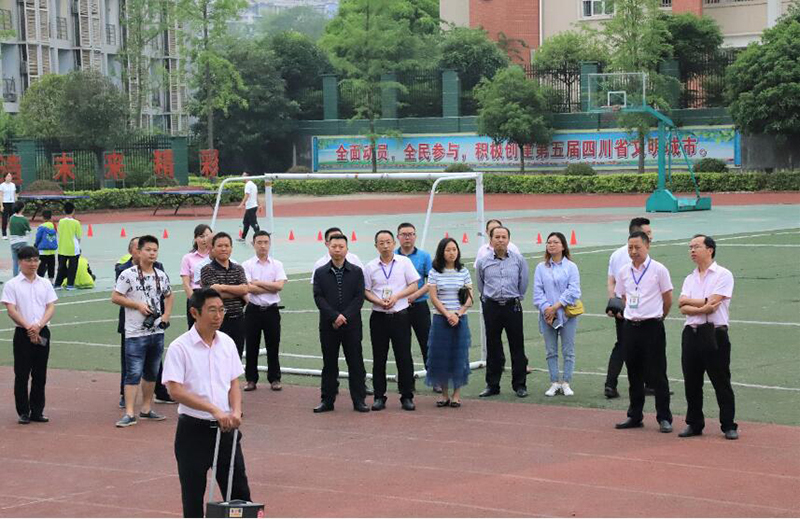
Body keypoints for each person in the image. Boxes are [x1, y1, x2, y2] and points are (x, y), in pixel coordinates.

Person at [162, 288, 252, 518]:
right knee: (193, 497)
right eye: (212, 310)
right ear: (194, 312)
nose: (218, 316)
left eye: (221, 310)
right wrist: (213, 409)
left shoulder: (228, 343)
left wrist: (236, 411)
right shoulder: (180, 347)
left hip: (226, 430)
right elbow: (175, 390)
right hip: (194, 431)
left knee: (239, 494)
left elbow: (233, 383)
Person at [677, 235, 738, 440]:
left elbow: (715, 302)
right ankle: (694, 423)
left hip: (714, 333)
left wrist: (693, 305)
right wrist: (703, 306)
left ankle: (728, 424)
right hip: (691, 333)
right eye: (690, 247)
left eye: (696, 246)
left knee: (721, 380)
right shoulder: (689, 278)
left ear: (710, 249)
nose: (692, 250)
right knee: (691, 381)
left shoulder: (723, 274)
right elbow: (682, 305)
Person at [614, 230, 674, 433]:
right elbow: (623, 297)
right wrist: (633, 313)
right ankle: (635, 415)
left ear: (647, 246)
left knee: (658, 374)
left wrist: (658, 317)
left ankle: (664, 417)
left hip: (653, 326)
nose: (633, 251)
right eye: (630, 247)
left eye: (637, 247)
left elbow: (668, 299)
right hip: (631, 326)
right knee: (633, 373)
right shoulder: (623, 271)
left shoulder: (659, 269)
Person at [112, 235, 175, 427]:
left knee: (151, 372)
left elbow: (169, 295)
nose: (152, 253)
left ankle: (146, 408)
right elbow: (115, 297)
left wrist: (165, 316)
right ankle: (130, 412)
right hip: (135, 332)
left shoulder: (160, 275)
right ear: (138, 252)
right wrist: (137, 305)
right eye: (148, 250)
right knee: (133, 372)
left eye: (155, 250)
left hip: (156, 331)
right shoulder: (128, 274)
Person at [311, 234, 369, 413]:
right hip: (329, 325)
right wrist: (334, 317)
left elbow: (359, 298)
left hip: (351, 325)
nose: (337, 249)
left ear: (347, 249)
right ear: (328, 247)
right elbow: (318, 297)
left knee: (356, 362)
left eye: (341, 246)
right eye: (334, 246)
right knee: (329, 363)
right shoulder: (320, 272)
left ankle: (359, 400)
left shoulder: (357, 271)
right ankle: (327, 400)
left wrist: (345, 316)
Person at [364, 230, 420, 411]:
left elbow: (414, 284)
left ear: (394, 243)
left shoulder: (404, 262)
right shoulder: (370, 267)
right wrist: (378, 301)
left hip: (400, 315)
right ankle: (379, 396)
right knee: (379, 357)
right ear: (376, 246)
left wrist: (397, 297)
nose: (385, 246)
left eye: (388, 242)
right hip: (379, 316)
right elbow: (365, 291)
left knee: (403, 356)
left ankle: (407, 396)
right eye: (381, 243)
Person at [2, 246, 57, 424]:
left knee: (40, 374)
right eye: (29, 260)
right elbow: (11, 310)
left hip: (42, 330)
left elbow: (50, 306)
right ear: (20, 262)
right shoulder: (12, 285)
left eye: (36, 260)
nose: (33, 264)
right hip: (22, 333)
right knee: (22, 373)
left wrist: (39, 325)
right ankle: (23, 411)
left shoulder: (45, 283)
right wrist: (28, 327)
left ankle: (37, 410)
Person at [475, 226, 530, 398]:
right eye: (497, 237)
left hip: (512, 306)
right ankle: (492, 385)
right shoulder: (483, 262)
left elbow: (523, 282)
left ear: (508, 240)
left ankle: (519, 385)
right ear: (490, 240)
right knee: (493, 346)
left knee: (517, 346)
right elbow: (480, 284)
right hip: (491, 306)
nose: (500, 240)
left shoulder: (518, 260)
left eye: (503, 237)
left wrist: (515, 297)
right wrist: (489, 300)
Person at [604, 217, 654, 399]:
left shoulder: (615, 254)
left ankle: (612, 384)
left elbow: (611, 281)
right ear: (637, 234)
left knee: (623, 345)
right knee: (640, 345)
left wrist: (613, 301)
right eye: (647, 233)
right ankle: (644, 384)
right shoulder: (637, 255)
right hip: (635, 308)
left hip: (622, 306)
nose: (651, 236)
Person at [425, 237, 473, 408]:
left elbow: (469, 298)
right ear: (441, 252)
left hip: (459, 320)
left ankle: (456, 395)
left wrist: (458, 314)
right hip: (441, 319)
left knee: (459, 356)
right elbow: (433, 297)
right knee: (441, 356)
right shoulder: (434, 272)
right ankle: (444, 395)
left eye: (454, 249)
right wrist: (447, 314)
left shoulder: (464, 271)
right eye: (448, 250)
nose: (452, 253)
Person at [533, 232, 581, 397]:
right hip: (547, 316)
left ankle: (566, 382)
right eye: (549, 242)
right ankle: (554, 382)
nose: (551, 245)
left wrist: (557, 306)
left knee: (568, 350)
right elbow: (537, 292)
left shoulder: (571, 267)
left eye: (555, 242)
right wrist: (547, 308)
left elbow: (574, 290)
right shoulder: (541, 267)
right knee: (550, 350)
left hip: (567, 315)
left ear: (563, 245)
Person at [242, 231, 287, 392]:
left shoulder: (277, 264)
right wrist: (270, 286)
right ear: (253, 244)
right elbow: (248, 288)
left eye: (266, 242)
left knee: (273, 345)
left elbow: (279, 286)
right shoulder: (247, 265)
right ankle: (251, 379)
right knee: (252, 346)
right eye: (259, 242)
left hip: (272, 311)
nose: (263, 245)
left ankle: (274, 378)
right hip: (253, 310)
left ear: (269, 244)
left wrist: (259, 283)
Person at [201, 232, 249, 359]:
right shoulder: (207, 270)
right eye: (220, 246)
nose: (223, 249)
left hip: (238, 319)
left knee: (236, 357)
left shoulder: (238, 269)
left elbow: (244, 289)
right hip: (217, 321)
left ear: (231, 248)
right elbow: (214, 295)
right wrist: (235, 290)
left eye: (227, 246)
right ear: (213, 248)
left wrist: (222, 287)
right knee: (217, 357)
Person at [395, 222, 433, 380]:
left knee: (427, 343)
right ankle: (406, 381)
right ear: (398, 237)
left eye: (410, 234)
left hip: (419, 306)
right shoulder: (393, 256)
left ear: (415, 236)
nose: (407, 237)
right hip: (399, 307)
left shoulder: (424, 256)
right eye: (404, 234)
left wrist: (415, 295)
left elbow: (431, 281)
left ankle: (434, 377)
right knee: (402, 345)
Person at [180, 224, 212, 329]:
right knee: (194, 328)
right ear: (195, 238)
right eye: (201, 236)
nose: (204, 239)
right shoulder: (188, 258)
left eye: (207, 236)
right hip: (195, 295)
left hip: (212, 294)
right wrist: (194, 300)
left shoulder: (215, 257)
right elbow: (186, 283)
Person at [54, 202, 82, 290]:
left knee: (61, 267)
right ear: (73, 211)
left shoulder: (61, 222)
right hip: (73, 249)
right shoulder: (76, 223)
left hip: (62, 248)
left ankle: (58, 284)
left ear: (63, 211)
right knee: (72, 267)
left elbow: (59, 232)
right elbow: (78, 237)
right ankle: (70, 284)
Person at [34, 209, 58, 284]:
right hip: (52, 250)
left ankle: (39, 281)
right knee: (51, 266)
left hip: (43, 251)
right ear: (51, 217)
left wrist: (36, 244)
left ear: (42, 217)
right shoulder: (53, 225)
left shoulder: (41, 227)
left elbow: (38, 237)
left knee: (41, 266)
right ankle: (51, 281)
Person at [8, 202, 31, 277]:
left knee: (15, 262)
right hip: (23, 242)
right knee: (23, 261)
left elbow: (10, 228)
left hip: (13, 242)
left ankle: (15, 279)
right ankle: (22, 277)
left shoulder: (11, 218)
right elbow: (28, 230)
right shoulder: (24, 219)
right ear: (22, 208)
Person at [238, 172, 261, 242]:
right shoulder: (254, 185)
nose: (242, 176)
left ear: (247, 176)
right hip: (251, 207)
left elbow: (247, 195)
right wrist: (259, 205)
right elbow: (256, 196)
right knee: (246, 222)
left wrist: (241, 205)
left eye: (243, 175)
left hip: (251, 207)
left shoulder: (248, 185)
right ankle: (243, 237)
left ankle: (259, 237)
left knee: (254, 223)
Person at [1, 172, 16, 239]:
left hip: (12, 203)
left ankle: (13, 234)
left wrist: (16, 204)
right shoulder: (2, 185)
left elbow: (14, 194)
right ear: (5, 177)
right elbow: (0, 196)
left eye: (10, 176)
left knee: (12, 219)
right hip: (5, 203)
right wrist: (1, 206)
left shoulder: (13, 185)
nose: (10, 177)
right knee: (4, 219)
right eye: (8, 176)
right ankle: (4, 234)